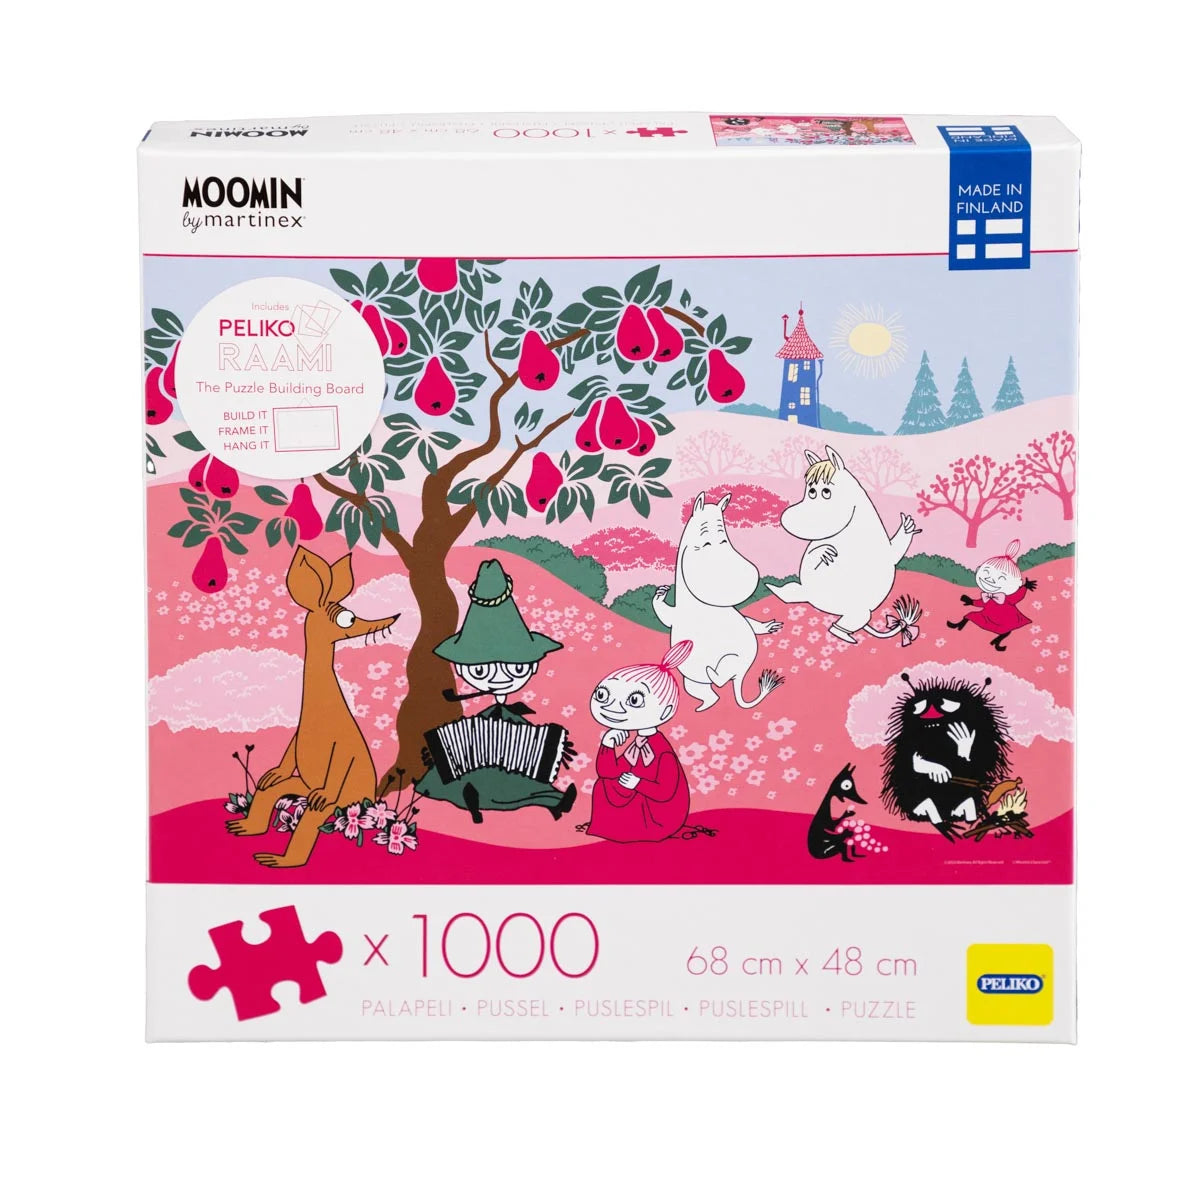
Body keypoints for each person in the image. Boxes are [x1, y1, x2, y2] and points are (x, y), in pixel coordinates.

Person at [413, 559, 576, 823]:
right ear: (460, 667)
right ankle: (487, 800)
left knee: (524, 769)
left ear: (533, 665)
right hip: (471, 775)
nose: (500, 678)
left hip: (508, 757)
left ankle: (551, 800)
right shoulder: (475, 729)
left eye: (516, 668)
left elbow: (537, 750)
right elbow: (457, 745)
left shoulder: (517, 726)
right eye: (480, 670)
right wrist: (438, 753)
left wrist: (557, 748)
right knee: (465, 768)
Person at [587, 642, 693, 843]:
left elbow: (666, 792)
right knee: (603, 785)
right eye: (602, 695)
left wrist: (638, 783)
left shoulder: (662, 752)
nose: (612, 708)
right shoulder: (636, 744)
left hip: (660, 812)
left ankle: (629, 830)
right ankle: (611, 827)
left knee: (626, 793)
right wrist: (607, 745)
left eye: (634, 700)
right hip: (639, 793)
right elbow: (607, 772)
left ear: (665, 712)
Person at [946, 539, 1037, 652]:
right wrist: (971, 602)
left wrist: (1025, 587)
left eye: (1001, 578)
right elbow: (981, 602)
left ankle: (997, 641)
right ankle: (959, 625)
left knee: (1006, 630)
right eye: (986, 572)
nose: (990, 579)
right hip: (988, 616)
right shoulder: (988, 595)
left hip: (1006, 619)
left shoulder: (1006, 597)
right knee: (970, 615)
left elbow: (1017, 596)